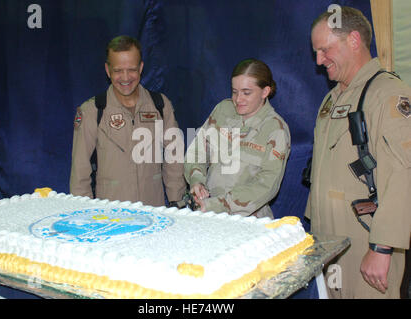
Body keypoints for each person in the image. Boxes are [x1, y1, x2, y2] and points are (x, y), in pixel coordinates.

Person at [306, 6, 411, 298]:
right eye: (316, 52)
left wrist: (382, 247)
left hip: (367, 239)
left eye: (325, 49)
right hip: (331, 240)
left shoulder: (386, 94)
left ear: (353, 40)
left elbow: (404, 175)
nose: (318, 60)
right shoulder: (332, 98)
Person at [70, 35, 186, 207]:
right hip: (110, 216)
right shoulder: (93, 111)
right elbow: (80, 170)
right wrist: (84, 212)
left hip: (153, 211)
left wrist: (178, 201)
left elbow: (174, 159)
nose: (125, 77)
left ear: (141, 68)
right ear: (108, 71)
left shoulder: (160, 106)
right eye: (118, 71)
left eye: (131, 69)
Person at [184, 59, 290, 218]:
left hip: (248, 221)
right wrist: (197, 180)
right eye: (234, 91)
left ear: (265, 91)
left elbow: (266, 185)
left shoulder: (275, 129)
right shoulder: (223, 110)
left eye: (247, 93)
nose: (238, 99)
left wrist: (218, 205)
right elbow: (197, 151)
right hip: (208, 214)